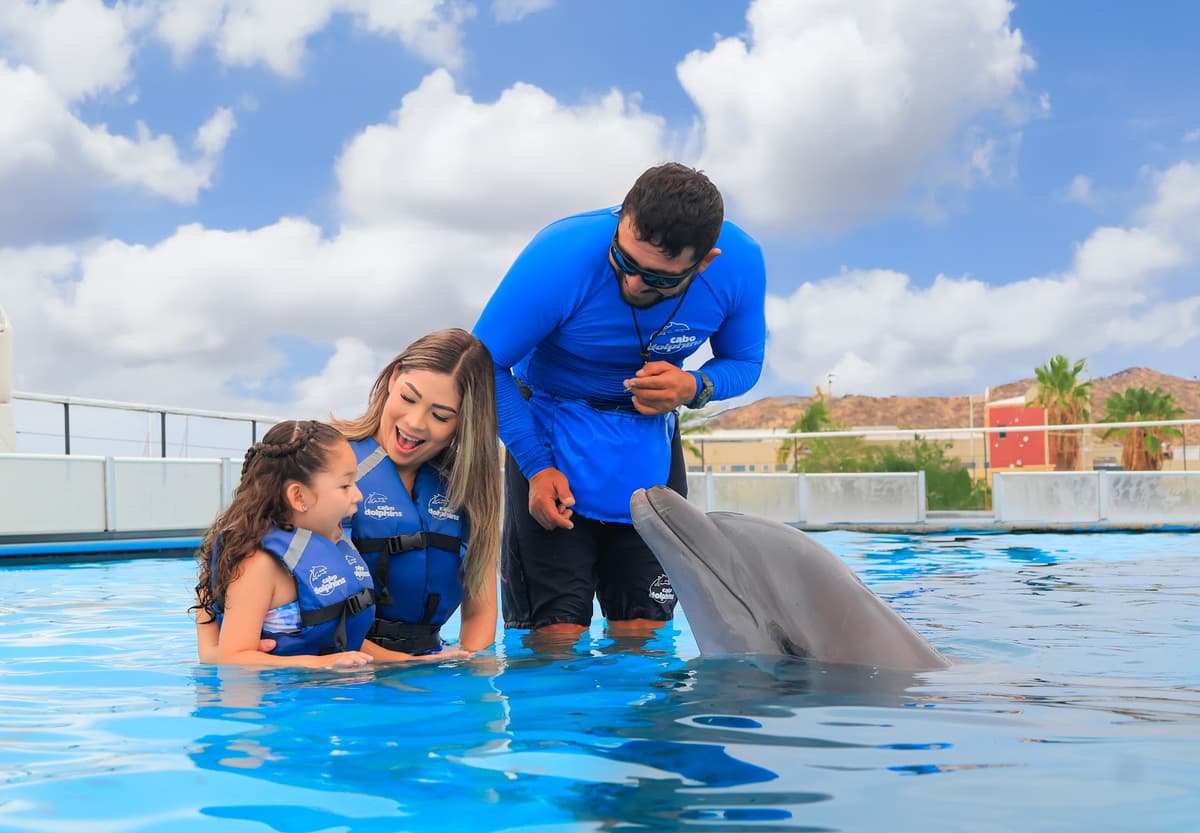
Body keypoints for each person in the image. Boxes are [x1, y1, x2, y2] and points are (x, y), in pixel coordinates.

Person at [472, 162, 767, 638]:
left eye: (657, 279)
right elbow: (483, 363)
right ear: (621, 223)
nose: (632, 284)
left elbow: (745, 362)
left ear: (705, 262)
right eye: (623, 262)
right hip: (550, 437)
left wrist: (694, 387)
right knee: (554, 636)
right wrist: (535, 465)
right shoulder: (562, 253)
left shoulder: (740, 265)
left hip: (648, 448)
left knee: (643, 631)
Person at [330, 328, 502, 657]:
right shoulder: (322, 465)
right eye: (409, 398)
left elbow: (480, 614)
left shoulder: (467, 491)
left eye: (440, 416)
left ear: (464, 421)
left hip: (427, 671)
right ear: (394, 378)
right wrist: (403, 670)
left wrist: (476, 683)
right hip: (341, 675)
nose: (414, 423)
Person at [192, 420, 376, 668]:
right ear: (299, 496)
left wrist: (410, 661)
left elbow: (340, 640)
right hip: (274, 700)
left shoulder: (325, 546)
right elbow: (233, 658)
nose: (358, 495)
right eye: (345, 485)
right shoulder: (258, 565)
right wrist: (319, 664)